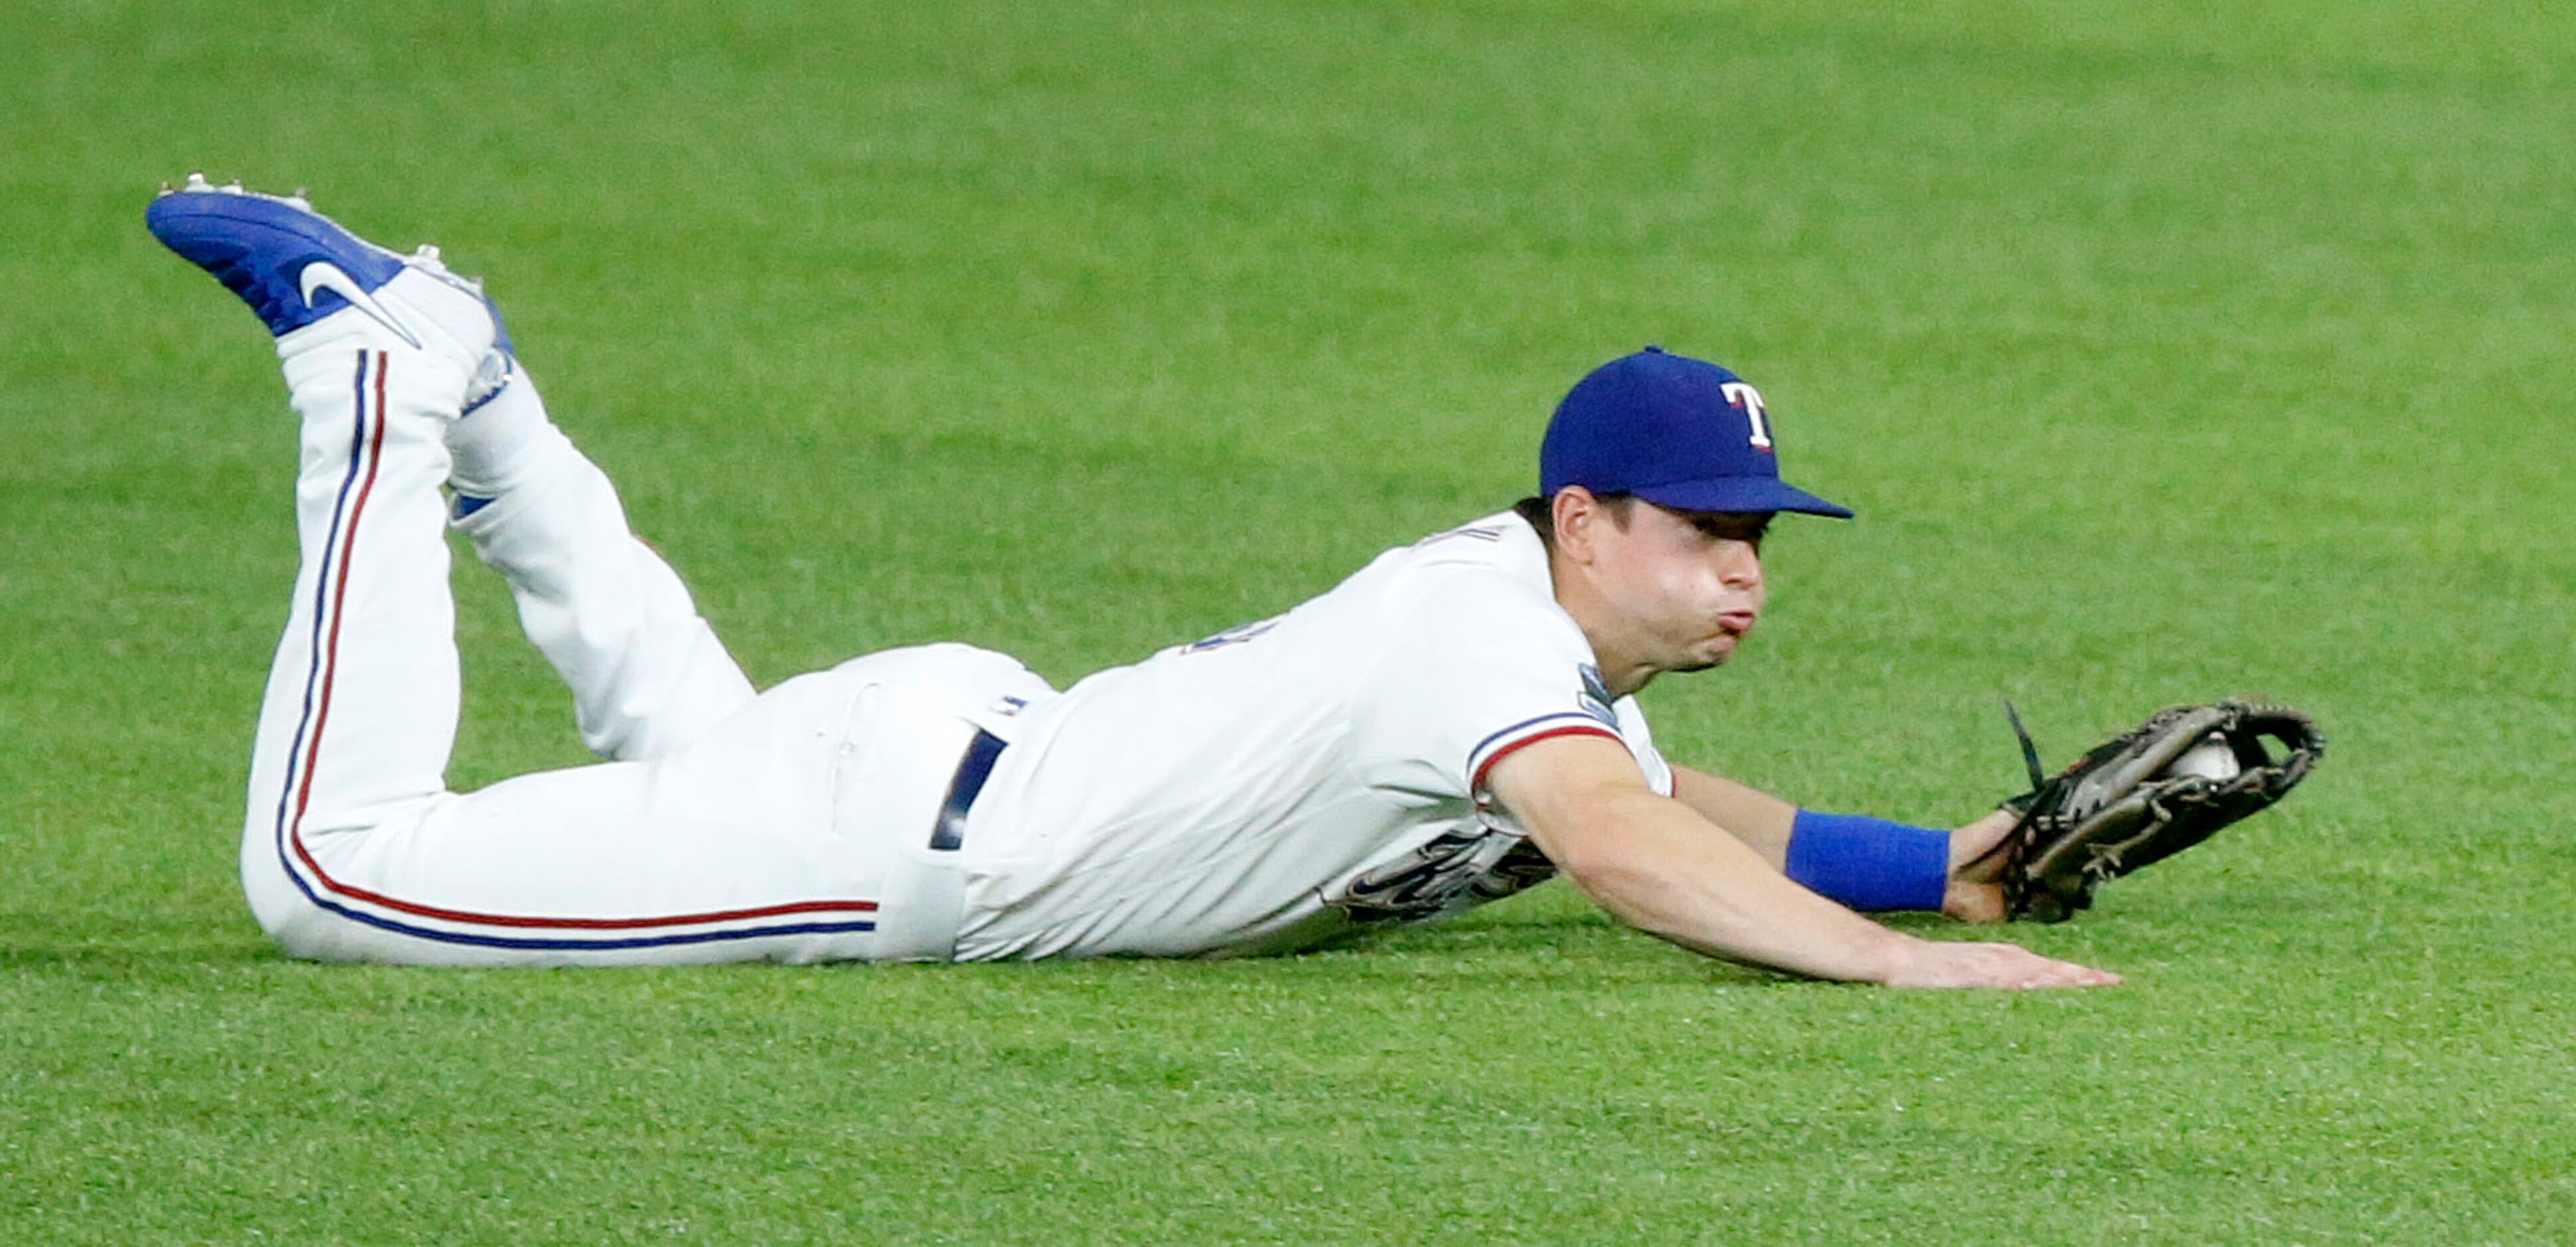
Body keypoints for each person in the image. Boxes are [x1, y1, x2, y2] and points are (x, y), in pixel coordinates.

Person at [147, 177, 2116, 989]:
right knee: (332, 875)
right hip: (899, 840)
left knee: (683, 750)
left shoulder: (1532, 667)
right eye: (1706, 533)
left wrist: (1930, 858)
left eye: (1759, 539)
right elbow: (1619, 849)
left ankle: (481, 387)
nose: (1742, 575)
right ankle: (383, 381)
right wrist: (1915, 968)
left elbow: (1668, 806)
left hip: (938, 746)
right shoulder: (1482, 631)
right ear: (1582, 519)